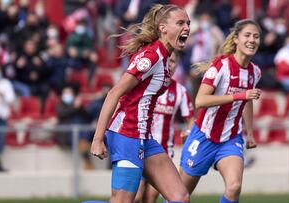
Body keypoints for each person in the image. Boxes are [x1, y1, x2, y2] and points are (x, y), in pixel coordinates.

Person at [90, 4, 191, 203]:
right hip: (127, 135)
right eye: (180, 23)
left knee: (180, 197)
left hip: (145, 137)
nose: (187, 27)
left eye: (188, 23)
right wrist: (97, 138)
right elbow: (114, 93)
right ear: (163, 28)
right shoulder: (151, 56)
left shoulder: (164, 57)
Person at [179, 19, 262, 203]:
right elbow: (200, 101)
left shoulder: (254, 72)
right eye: (247, 35)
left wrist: (249, 133)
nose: (252, 40)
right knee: (180, 196)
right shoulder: (220, 65)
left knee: (234, 187)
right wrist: (240, 96)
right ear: (236, 40)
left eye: (256, 36)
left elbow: (248, 100)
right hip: (203, 137)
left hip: (230, 139)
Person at [134, 52, 195, 203]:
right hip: (140, 147)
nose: (170, 65)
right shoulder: (146, 85)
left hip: (163, 151)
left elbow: (190, 119)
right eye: (168, 61)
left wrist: (189, 131)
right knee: (135, 197)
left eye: (174, 62)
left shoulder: (180, 91)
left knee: (150, 197)